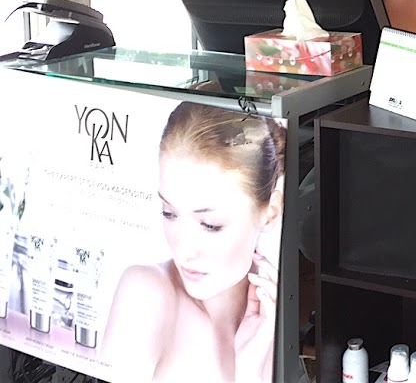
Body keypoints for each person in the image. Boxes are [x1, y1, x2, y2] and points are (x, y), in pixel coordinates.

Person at [102, 103, 285, 383]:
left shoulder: (276, 320)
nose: (183, 251)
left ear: (270, 213)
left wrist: (250, 372)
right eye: (169, 213)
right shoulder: (146, 294)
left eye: (210, 225)